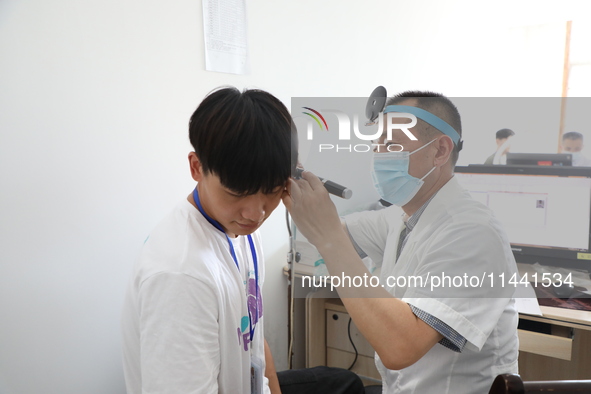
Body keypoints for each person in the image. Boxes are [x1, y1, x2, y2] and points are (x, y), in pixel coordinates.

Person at [121, 86, 364, 394]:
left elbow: (252, 335)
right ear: (197, 167)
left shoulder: (240, 230)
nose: (256, 212)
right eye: (237, 194)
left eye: (272, 191)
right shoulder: (181, 275)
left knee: (344, 383)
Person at [284, 91, 519, 394]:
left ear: (440, 150)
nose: (379, 154)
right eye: (377, 144)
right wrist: (297, 184)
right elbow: (328, 233)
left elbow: (400, 347)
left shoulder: (473, 232)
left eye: (392, 144)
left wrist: (328, 237)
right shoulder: (401, 217)